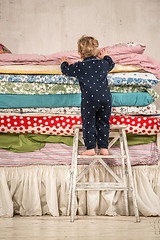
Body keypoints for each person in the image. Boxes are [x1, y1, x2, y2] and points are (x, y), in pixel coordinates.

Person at [61, 35, 115, 156]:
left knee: (89, 122)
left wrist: (64, 63)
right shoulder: (103, 63)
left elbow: (66, 70)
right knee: (104, 122)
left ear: (80, 54)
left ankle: (90, 148)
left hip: (90, 100)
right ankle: (104, 148)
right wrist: (105, 56)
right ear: (97, 51)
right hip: (106, 98)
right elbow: (111, 64)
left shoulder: (79, 67)